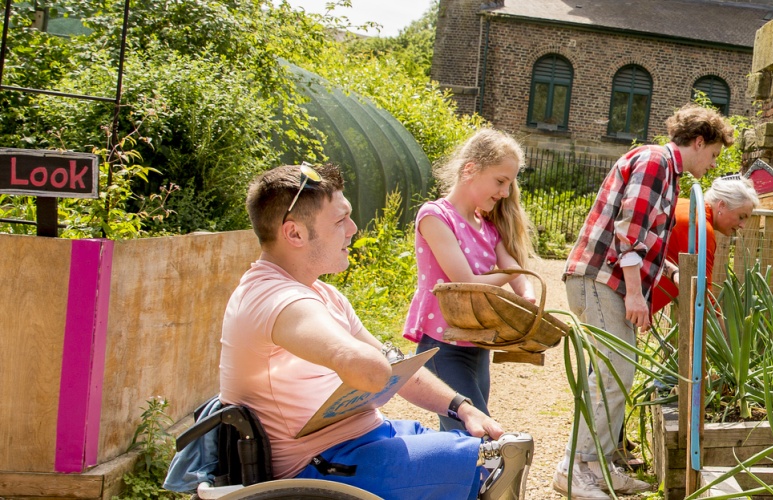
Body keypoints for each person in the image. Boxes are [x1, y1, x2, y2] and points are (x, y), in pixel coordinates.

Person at [218, 164, 506, 498]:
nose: (353, 229)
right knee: (491, 462)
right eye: (340, 220)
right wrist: (370, 363)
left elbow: (394, 369)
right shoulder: (276, 298)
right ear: (294, 234)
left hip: (365, 442)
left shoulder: (323, 294)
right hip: (321, 465)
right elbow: (368, 369)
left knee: (483, 446)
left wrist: (462, 407)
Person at [556, 105, 735, 499]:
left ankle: (597, 464)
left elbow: (647, 238)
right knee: (612, 372)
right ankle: (577, 468)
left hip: (607, 279)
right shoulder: (656, 162)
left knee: (615, 372)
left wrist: (668, 270)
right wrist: (636, 293)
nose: (712, 164)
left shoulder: (667, 172)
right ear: (699, 141)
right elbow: (629, 232)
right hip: (603, 278)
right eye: (714, 155)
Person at [403, 128, 535, 433]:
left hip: (477, 344)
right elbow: (465, 282)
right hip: (442, 345)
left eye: (509, 184)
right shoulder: (435, 217)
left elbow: (512, 264)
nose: (504, 192)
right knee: (477, 436)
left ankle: (453, 480)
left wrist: (526, 293)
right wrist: (515, 276)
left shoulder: (487, 226)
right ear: (470, 169)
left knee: (462, 439)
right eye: (500, 181)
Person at [648, 176, 760, 313]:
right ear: (722, 205)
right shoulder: (700, 229)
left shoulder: (685, 206)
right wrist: (725, 334)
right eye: (741, 217)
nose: (742, 225)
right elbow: (703, 295)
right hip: (626, 299)